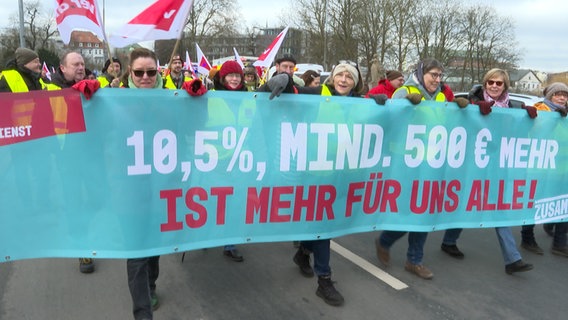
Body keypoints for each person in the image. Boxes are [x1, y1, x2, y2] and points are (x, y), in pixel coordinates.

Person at [261, 61, 372, 306]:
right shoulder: (316, 93)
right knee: (324, 228)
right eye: (340, 74)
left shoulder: (362, 103)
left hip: (342, 177)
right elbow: (292, 90)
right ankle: (324, 280)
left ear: (356, 82)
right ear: (332, 77)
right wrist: (282, 79)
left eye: (349, 77)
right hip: (314, 177)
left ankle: (302, 253)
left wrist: (388, 104)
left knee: (320, 226)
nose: (343, 79)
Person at [441, 68, 535, 274]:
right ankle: (449, 241)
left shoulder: (513, 107)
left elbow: (520, 134)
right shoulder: (470, 100)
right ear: (484, 84)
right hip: (471, 163)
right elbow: (452, 121)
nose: (494, 86)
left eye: (498, 83)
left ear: (505, 86)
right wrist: (470, 109)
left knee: (497, 206)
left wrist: (529, 120)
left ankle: (512, 259)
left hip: (496, 166)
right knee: (465, 202)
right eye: (490, 82)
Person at [374, 59, 451, 280]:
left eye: (439, 76)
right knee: (408, 211)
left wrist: (463, 108)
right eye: (433, 75)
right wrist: (404, 106)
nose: (437, 80)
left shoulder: (440, 96)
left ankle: (414, 260)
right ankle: (385, 241)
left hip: (431, 163)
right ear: (421, 73)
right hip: (405, 164)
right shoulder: (403, 91)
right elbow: (389, 121)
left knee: (424, 211)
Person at [209, 60, 249, 262]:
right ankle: (204, 235)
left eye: (237, 75)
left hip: (241, 161)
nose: (234, 79)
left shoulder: (251, 98)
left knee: (234, 203)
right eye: (230, 75)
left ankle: (230, 243)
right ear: (222, 78)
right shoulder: (210, 98)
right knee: (213, 202)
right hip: (215, 162)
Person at [521, 82, 568, 257]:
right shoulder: (539, 109)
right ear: (549, 96)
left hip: (563, 168)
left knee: (564, 204)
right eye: (558, 94)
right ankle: (527, 237)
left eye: (565, 94)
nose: (562, 98)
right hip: (541, 167)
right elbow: (536, 131)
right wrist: (555, 119)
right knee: (534, 203)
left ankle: (560, 243)